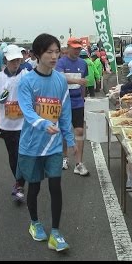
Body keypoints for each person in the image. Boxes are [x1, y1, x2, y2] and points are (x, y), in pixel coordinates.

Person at [17, 33, 76, 252]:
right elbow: (28, 111)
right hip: (31, 146)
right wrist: (43, 124)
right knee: (34, 187)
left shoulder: (60, 80)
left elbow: (65, 112)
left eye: (56, 52)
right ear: (37, 54)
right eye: (49, 52)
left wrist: (69, 139)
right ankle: (34, 222)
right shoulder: (27, 81)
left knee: (55, 186)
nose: (54, 56)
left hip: (52, 145)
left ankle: (56, 233)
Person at [0, 44, 29, 201]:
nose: (16, 63)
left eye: (18, 60)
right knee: (13, 156)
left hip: (24, 123)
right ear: (5, 60)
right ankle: (19, 182)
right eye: (12, 60)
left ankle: (20, 183)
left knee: (23, 154)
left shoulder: (26, 75)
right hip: (7, 125)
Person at [55, 37, 89, 176]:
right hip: (63, 101)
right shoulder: (60, 62)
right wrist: (76, 80)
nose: (76, 50)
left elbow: (83, 83)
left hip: (77, 102)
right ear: (68, 47)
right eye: (74, 48)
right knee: (64, 131)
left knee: (79, 131)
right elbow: (60, 78)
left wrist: (83, 97)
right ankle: (64, 157)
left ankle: (79, 163)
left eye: (79, 48)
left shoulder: (83, 63)